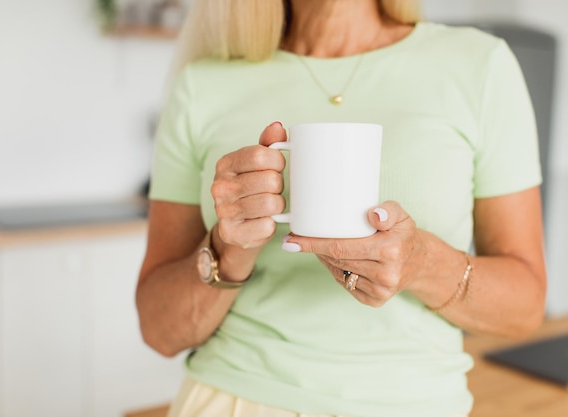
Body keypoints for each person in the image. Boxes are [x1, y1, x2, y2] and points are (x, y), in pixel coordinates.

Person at [135, 0, 547, 416]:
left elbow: (526, 307)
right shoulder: (202, 84)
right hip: (232, 399)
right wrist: (230, 245)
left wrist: (422, 263)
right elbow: (158, 330)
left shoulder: (480, 65)